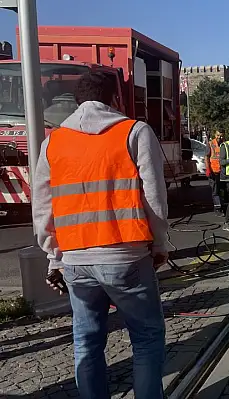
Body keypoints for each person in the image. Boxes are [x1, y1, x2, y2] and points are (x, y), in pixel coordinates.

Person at [34, 71, 172, 399]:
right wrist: (159, 243)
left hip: (76, 261)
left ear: (76, 100)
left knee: (86, 342)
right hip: (126, 256)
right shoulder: (133, 132)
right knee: (147, 339)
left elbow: (42, 207)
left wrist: (54, 256)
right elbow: (154, 196)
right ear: (115, 98)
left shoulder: (54, 142)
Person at [205, 130, 226, 216]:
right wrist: (208, 169)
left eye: (221, 136)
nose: (219, 137)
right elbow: (206, 157)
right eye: (218, 135)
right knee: (215, 190)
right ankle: (218, 208)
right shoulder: (210, 144)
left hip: (222, 171)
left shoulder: (225, 144)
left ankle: (222, 206)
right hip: (213, 171)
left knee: (222, 190)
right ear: (215, 135)